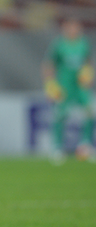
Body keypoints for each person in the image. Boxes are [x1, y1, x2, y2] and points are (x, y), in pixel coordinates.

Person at [42, 18, 94, 164]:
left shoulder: (83, 44)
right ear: (65, 28)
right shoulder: (59, 45)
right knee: (60, 115)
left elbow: (88, 62)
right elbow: (48, 64)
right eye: (70, 27)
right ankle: (57, 147)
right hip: (64, 86)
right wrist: (49, 84)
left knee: (89, 111)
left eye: (76, 27)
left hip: (80, 86)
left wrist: (89, 75)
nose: (73, 30)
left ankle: (85, 145)